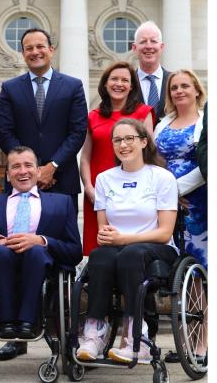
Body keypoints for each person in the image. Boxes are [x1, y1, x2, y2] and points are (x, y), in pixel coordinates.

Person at [0, 27, 87, 360]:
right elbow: (3, 131)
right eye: (28, 48)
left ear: (52, 48)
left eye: (40, 47)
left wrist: (52, 167)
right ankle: (17, 335)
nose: (34, 52)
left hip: (60, 183)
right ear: (23, 53)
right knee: (18, 250)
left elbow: (78, 131)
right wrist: (29, 170)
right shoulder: (10, 89)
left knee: (58, 253)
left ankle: (61, 331)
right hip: (20, 183)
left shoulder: (72, 87)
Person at [75, 118, 178, 364]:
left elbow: (164, 232)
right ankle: (95, 332)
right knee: (98, 255)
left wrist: (126, 238)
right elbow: (104, 231)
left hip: (158, 248)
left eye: (129, 138)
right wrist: (111, 238)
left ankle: (137, 337)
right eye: (117, 140)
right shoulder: (104, 179)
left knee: (132, 254)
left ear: (144, 142)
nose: (123, 144)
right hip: (118, 248)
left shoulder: (161, 177)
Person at [0, 147, 82, 341]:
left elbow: (75, 252)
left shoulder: (62, 203)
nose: (23, 171)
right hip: (0, 265)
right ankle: (6, 321)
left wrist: (41, 241)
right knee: (1, 253)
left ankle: (28, 321)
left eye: (28, 165)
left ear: (38, 170)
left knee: (36, 251)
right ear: (8, 175)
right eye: (16, 167)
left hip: (43, 267)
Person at [79, 62, 154, 256]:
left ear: (132, 86)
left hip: (133, 190)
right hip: (98, 192)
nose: (119, 83)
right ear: (105, 84)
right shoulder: (93, 117)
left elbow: (150, 154)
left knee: (130, 246)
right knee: (99, 249)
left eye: (125, 80)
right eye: (114, 79)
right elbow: (85, 157)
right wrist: (89, 188)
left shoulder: (143, 112)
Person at [154, 70, 207, 268]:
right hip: (166, 202)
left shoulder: (206, 121)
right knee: (176, 260)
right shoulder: (162, 124)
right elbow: (154, 159)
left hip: (198, 200)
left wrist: (176, 189)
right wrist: (166, 192)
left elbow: (208, 162)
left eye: (185, 86)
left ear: (197, 91)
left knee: (200, 260)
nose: (179, 91)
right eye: (174, 87)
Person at [131, 21, 169, 120]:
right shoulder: (127, 83)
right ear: (134, 48)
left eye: (153, 41)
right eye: (143, 41)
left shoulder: (174, 81)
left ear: (162, 47)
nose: (148, 46)